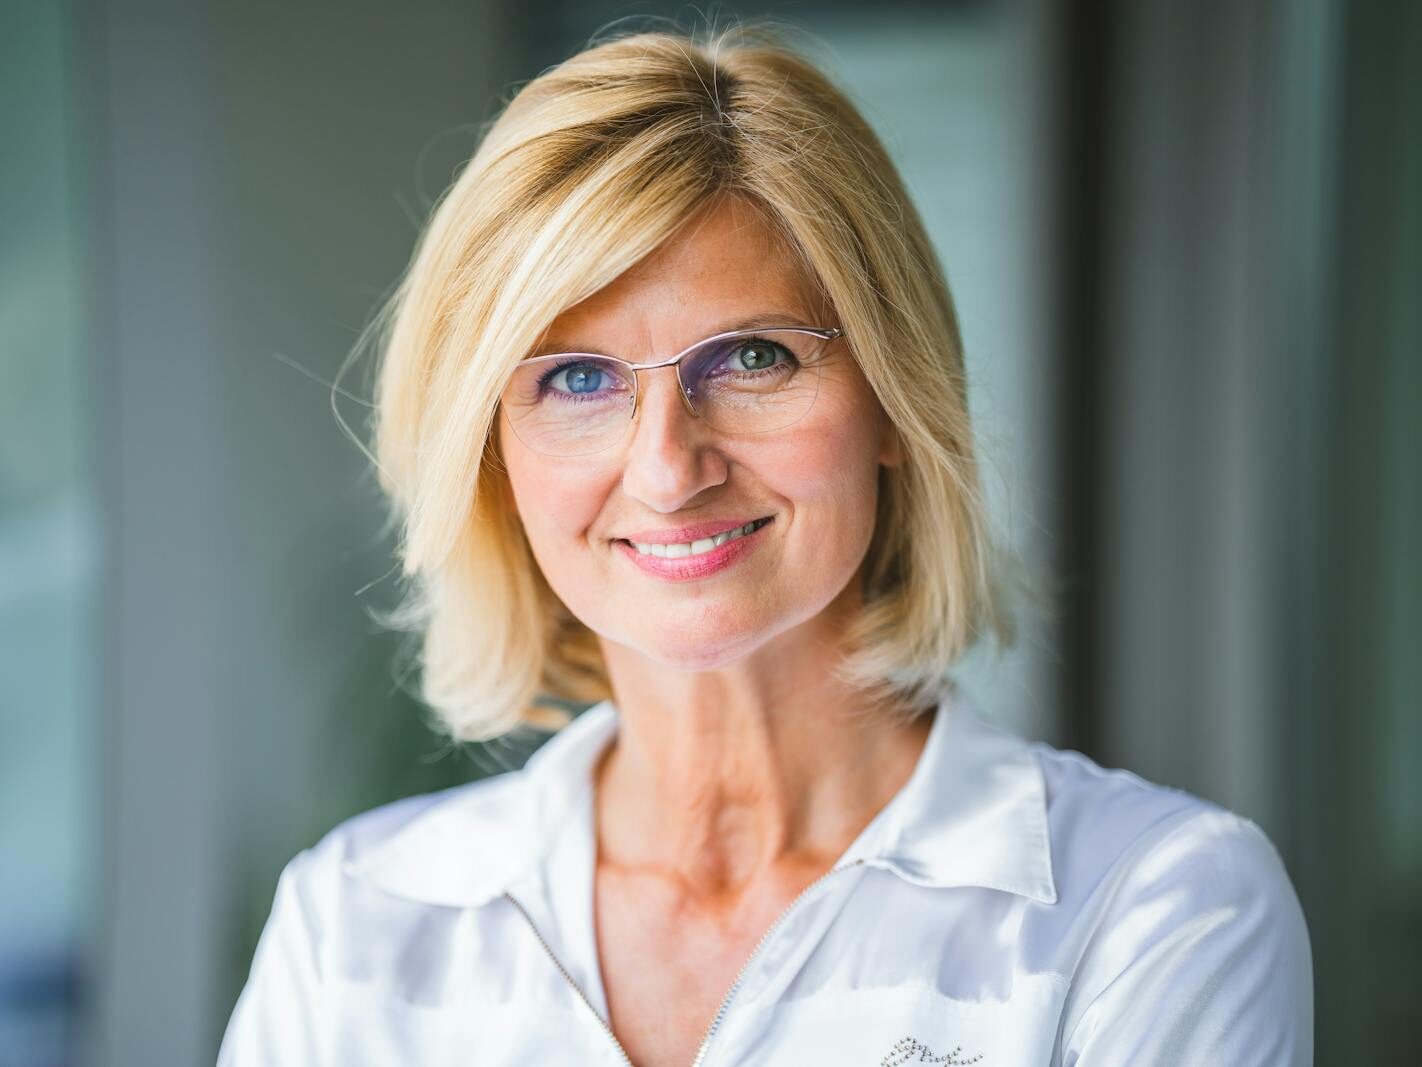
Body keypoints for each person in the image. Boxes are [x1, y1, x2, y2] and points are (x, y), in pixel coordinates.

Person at [217, 23, 1313, 1066]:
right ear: (492, 458)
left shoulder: (1150, 905)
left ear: (891, 397)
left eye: (750, 357)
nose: (666, 468)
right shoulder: (357, 919)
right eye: (577, 379)